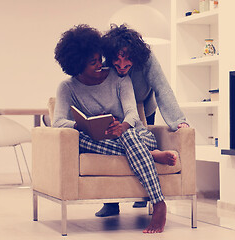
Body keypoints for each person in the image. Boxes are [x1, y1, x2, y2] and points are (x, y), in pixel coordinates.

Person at [52, 24, 167, 233]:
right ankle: (149, 156)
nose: (99, 65)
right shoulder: (67, 88)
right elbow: (58, 122)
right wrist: (83, 125)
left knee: (130, 137)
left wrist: (122, 126)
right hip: (101, 140)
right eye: (93, 62)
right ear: (77, 66)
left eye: (99, 59)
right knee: (78, 138)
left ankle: (158, 203)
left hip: (136, 135)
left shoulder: (118, 78)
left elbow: (132, 112)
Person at [95, 24, 189, 216]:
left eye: (127, 65)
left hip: (143, 105)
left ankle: (142, 196)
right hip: (115, 108)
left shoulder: (147, 60)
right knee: (117, 146)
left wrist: (178, 120)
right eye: (117, 64)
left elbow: (162, 88)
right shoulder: (105, 61)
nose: (121, 68)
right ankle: (111, 203)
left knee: (139, 143)